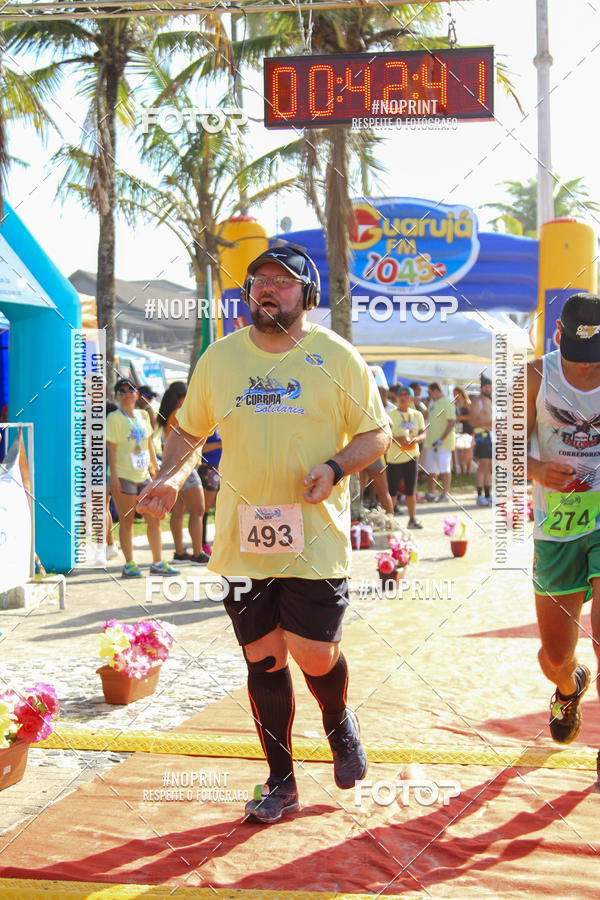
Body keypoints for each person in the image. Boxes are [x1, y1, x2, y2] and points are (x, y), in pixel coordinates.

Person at [138, 244, 391, 824]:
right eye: (259, 281)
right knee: (265, 661)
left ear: (308, 295)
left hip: (316, 534)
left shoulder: (338, 357)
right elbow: (189, 430)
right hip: (243, 537)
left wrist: (335, 468)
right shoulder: (221, 359)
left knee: (314, 654)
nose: (268, 289)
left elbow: (376, 434)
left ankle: (338, 721)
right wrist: (170, 478)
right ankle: (282, 781)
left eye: (282, 281)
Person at [527, 292, 600, 744]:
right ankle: (568, 687)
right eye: (577, 355)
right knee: (556, 656)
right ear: (558, 335)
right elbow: (504, 447)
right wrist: (537, 469)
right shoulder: (535, 375)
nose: (586, 365)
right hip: (556, 525)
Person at [107, 378, 179, 578]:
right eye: (122, 391)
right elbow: (111, 449)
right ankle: (130, 564)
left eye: (130, 390)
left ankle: (157, 562)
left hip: (144, 475)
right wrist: (114, 477)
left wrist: (155, 469)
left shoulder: (143, 415)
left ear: (137, 394)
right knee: (127, 521)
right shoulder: (113, 418)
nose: (127, 394)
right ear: (116, 396)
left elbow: (148, 444)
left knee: (153, 519)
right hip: (124, 475)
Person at [157, 382, 209, 565]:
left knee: (178, 512)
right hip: (185, 467)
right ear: (182, 397)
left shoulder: (171, 414)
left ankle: (180, 552)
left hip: (174, 467)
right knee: (198, 510)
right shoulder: (180, 414)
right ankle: (198, 553)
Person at [387, 386, 425, 528]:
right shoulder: (390, 414)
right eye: (400, 394)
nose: (403, 397)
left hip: (411, 456)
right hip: (394, 457)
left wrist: (415, 440)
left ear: (412, 398)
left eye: (406, 394)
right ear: (397, 398)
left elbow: (423, 434)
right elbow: (385, 434)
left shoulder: (417, 415)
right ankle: (390, 521)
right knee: (392, 490)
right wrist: (399, 439)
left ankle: (412, 519)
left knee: (410, 490)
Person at [422, 382, 456, 502]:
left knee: (444, 468)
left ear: (436, 390)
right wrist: (421, 405)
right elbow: (425, 416)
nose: (429, 395)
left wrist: (442, 438)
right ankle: (431, 494)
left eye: (429, 392)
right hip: (431, 442)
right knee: (431, 470)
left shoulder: (447, 402)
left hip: (443, 443)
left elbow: (452, 421)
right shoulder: (433, 403)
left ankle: (445, 494)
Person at [470, 375, 493, 505]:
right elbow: (473, 422)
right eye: (486, 387)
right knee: (483, 466)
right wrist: (489, 423)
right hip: (481, 437)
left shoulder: (490, 401)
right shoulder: (476, 401)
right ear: (482, 387)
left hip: (491, 437)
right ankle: (479, 495)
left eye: (490, 386)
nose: (488, 389)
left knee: (489, 466)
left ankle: (488, 494)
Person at [453, 386, 474, 476]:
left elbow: (473, 416)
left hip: (468, 430)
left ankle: (467, 471)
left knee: (467, 451)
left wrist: (462, 417)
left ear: (461, 393)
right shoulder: (454, 404)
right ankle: (462, 470)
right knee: (459, 451)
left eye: (456, 394)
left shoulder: (467, 403)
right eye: (453, 394)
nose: (454, 396)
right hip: (458, 429)